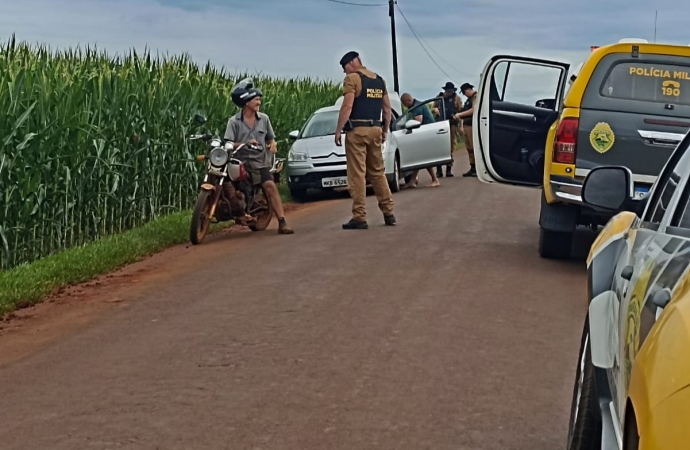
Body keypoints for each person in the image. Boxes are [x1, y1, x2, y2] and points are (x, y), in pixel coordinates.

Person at [334, 50, 396, 229]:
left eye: (345, 67)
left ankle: (359, 216)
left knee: (357, 174)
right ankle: (389, 212)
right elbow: (387, 109)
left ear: (352, 62)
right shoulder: (379, 80)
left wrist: (338, 130)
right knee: (377, 172)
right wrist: (384, 129)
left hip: (357, 131)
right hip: (375, 130)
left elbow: (347, 106)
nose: (345, 72)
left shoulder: (352, 79)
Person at [224, 78, 294, 234]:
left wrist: (272, 145)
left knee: (269, 186)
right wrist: (244, 143)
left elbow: (270, 139)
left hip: (259, 163)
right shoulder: (233, 122)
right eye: (256, 99)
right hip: (238, 162)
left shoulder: (264, 119)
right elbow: (228, 142)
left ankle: (282, 222)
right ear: (246, 102)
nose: (259, 102)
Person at [400, 93, 439, 188]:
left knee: (424, 157)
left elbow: (418, 122)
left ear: (408, 101)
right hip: (426, 132)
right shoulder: (417, 104)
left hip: (427, 133)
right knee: (418, 158)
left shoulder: (417, 107)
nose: (405, 106)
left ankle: (435, 180)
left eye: (405, 104)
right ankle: (412, 181)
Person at [431, 82, 462, 178]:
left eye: (451, 91)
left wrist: (460, 124)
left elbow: (460, 111)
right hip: (440, 124)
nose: (450, 93)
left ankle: (449, 169)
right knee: (438, 147)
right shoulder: (439, 97)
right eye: (448, 91)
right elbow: (433, 108)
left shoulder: (456, 98)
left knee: (450, 146)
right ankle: (439, 170)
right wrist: (435, 110)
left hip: (451, 124)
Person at [453, 82, 478, 177]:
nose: (464, 95)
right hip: (467, 125)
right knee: (469, 148)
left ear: (468, 90)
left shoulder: (476, 97)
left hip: (473, 126)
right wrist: (461, 126)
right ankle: (472, 167)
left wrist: (460, 115)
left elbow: (474, 109)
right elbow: (464, 111)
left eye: (464, 92)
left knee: (474, 147)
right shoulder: (468, 100)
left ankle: (477, 168)